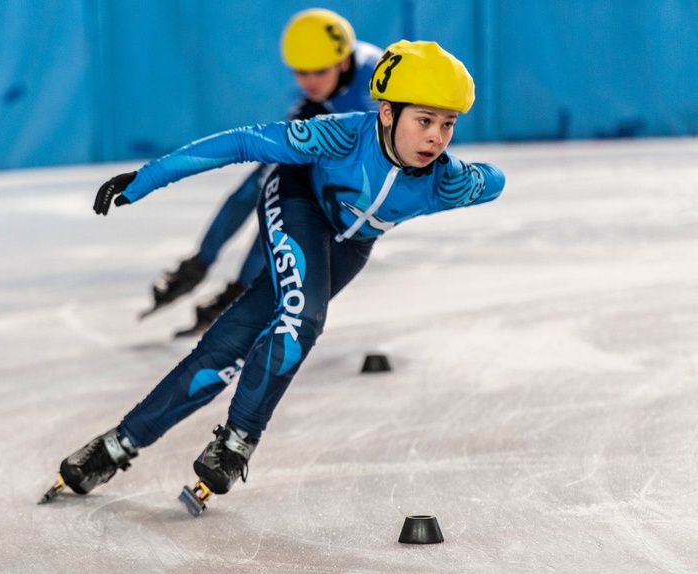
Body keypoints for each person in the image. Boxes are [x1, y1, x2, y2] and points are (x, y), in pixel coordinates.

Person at [44, 40, 506, 506]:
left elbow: (495, 180)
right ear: (386, 113)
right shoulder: (341, 135)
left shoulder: (446, 181)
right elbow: (240, 143)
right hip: (298, 200)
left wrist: (476, 176)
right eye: (424, 120)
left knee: (228, 346)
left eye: (448, 124)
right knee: (303, 318)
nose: (436, 138)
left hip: (350, 246)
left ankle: (113, 446)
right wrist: (146, 178)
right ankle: (237, 442)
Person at [145, 8, 383, 337]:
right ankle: (195, 266)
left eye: (318, 72)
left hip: (359, 148)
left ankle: (238, 293)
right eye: (301, 73)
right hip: (326, 115)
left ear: (343, 63)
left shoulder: (376, 89)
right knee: (254, 186)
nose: (309, 81)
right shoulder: (320, 88)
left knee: (281, 211)